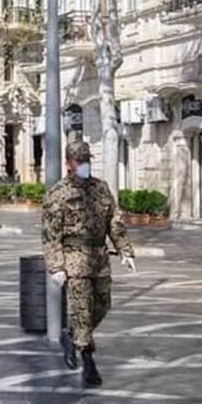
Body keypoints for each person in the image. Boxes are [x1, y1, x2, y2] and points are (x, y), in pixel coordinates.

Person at [41, 140, 137, 387]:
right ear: (69, 163)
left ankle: (73, 336)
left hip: (99, 258)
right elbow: (51, 234)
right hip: (74, 260)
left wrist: (125, 251)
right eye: (79, 161)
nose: (84, 165)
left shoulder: (101, 188)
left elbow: (114, 222)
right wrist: (57, 266)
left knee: (102, 305)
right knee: (82, 310)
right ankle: (89, 363)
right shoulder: (58, 193)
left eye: (86, 160)